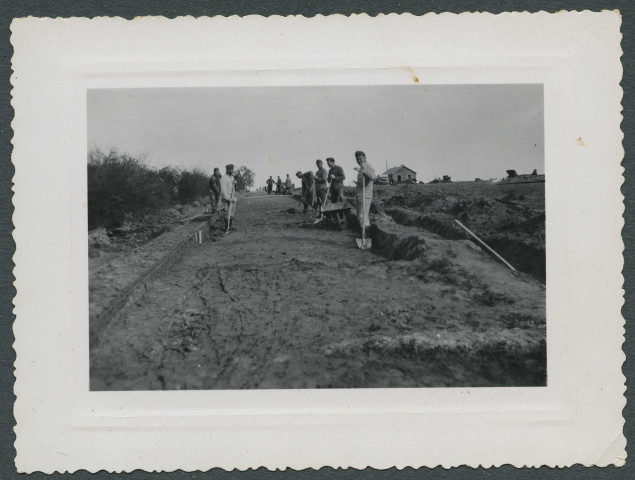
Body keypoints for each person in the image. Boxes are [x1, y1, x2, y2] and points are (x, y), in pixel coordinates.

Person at [354, 151, 375, 229]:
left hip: (365, 195)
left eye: (360, 159)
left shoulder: (368, 166)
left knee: (363, 217)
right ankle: (362, 233)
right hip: (360, 195)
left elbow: (373, 177)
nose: (359, 161)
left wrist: (365, 168)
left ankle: (365, 236)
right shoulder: (361, 167)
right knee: (360, 216)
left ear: (365, 157)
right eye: (357, 159)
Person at [220, 164, 237, 230]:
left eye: (233, 169)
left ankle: (230, 226)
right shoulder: (224, 178)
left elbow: (233, 188)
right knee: (227, 212)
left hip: (231, 197)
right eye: (231, 169)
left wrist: (235, 184)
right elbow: (223, 190)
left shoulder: (231, 177)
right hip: (225, 198)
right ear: (227, 170)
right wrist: (228, 198)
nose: (232, 170)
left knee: (232, 212)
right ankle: (226, 227)